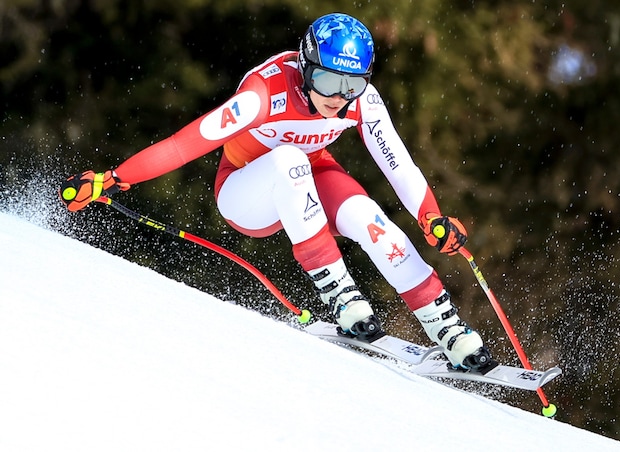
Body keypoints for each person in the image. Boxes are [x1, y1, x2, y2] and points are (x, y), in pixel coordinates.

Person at [59, 13, 497, 373]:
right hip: (245, 192)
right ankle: (342, 297)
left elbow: (398, 164)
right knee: (289, 158)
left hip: (311, 175)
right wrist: (115, 178)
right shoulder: (263, 92)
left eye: (353, 85)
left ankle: (449, 329)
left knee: (370, 217)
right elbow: (184, 143)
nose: (339, 99)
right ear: (306, 67)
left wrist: (431, 218)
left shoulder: (361, 101)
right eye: (328, 82)